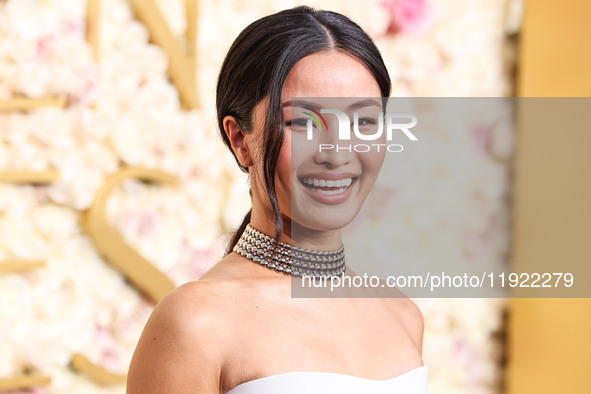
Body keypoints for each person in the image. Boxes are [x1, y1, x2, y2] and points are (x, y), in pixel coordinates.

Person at [127, 6, 426, 394]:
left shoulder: (402, 314)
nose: (337, 153)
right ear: (240, 140)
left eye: (364, 121)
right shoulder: (196, 322)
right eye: (303, 122)